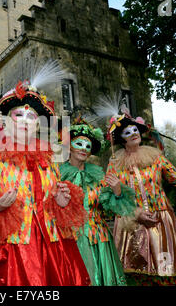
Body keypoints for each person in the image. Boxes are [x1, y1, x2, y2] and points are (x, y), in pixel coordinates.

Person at [0, 62, 90, 286]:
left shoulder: (49, 159)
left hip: (50, 243)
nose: (25, 121)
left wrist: (60, 203)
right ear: (6, 120)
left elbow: (51, 198)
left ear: (38, 125)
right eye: (18, 115)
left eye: (31, 117)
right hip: (9, 246)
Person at [100, 107, 176, 286]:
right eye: (127, 132)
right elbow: (108, 194)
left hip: (159, 220)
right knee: (141, 272)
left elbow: (174, 176)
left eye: (135, 130)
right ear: (121, 139)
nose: (133, 134)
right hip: (133, 220)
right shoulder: (115, 163)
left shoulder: (155, 157)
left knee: (165, 268)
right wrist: (133, 211)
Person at [59, 116, 136, 286]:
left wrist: (117, 191)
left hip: (98, 238)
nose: (84, 149)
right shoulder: (57, 175)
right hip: (70, 239)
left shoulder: (98, 177)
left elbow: (111, 210)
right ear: (69, 147)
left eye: (88, 146)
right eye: (79, 144)